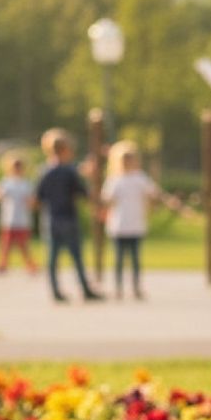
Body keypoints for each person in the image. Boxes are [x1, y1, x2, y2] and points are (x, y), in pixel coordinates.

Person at [36, 128, 102, 303]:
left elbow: (39, 197)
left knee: (52, 258)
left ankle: (55, 291)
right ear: (65, 150)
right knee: (77, 256)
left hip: (51, 218)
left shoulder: (44, 171)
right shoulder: (69, 171)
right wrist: (95, 197)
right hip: (68, 218)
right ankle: (85, 289)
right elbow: (83, 192)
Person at [100, 139, 161, 300]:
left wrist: (152, 204)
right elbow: (106, 199)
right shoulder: (114, 180)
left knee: (135, 260)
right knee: (119, 260)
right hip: (118, 225)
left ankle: (136, 287)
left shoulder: (140, 178)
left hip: (136, 225)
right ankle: (118, 288)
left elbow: (153, 193)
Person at [0, 151, 38, 273]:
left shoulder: (26, 184)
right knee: (5, 244)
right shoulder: (5, 182)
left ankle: (30, 264)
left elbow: (32, 201)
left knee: (24, 244)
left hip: (23, 219)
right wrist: (0, 194)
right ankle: (3, 263)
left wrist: (30, 202)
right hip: (8, 219)